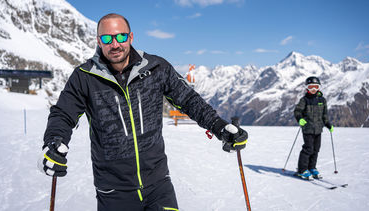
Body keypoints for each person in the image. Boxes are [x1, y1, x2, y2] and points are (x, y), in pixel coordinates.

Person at [38, 13, 248, 211]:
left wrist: (220, 127)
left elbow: (189, 100)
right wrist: (54, 143)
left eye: (121, 36)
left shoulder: (156, 67)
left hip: (158, 185)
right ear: (98, 40)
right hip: (113, 191)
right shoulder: (84, 76)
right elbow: (63, 114)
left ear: (130, 37)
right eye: (107, 38)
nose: (115, 44)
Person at [294, 76, 334, 180]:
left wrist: (328, 124)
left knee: (316, 149)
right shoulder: (304, 100)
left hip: (318, 129)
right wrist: (300, 119)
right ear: (307, 88)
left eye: (316, 87)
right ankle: (302, 170)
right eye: (311, 87)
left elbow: (324, 115)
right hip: (308, 129)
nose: (313, 89)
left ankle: (311, 168)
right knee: (308, 149)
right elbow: (297, 111)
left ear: (319, 88)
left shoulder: (322, 100)